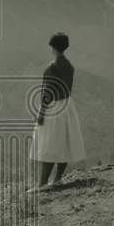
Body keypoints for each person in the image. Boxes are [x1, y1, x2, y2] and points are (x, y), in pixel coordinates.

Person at [29, 31, 86, 190]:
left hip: (53, 107)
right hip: (67, 106)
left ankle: (41, 184)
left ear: (53, 47)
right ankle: (57, 178)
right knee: (64, 142)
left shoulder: (51, 67)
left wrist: (41, 114)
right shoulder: (70, 67)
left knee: (48, 144)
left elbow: (47, 93)